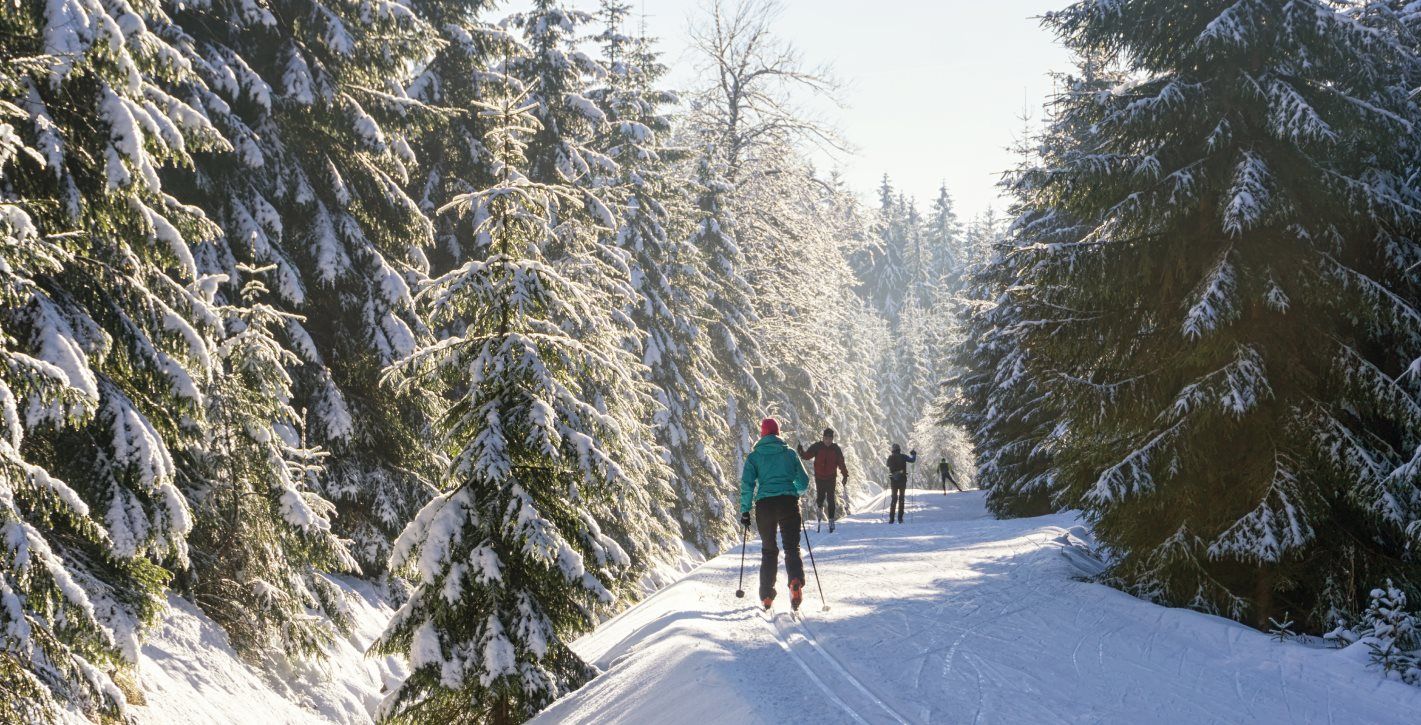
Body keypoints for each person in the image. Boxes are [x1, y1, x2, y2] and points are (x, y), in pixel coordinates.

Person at [740, 418, 811, 610]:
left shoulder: (754, 457)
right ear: (778, 433)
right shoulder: (789, 454)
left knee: (769, 550)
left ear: (762, 434)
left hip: (765, 505)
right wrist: (793, 490)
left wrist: (745, 510)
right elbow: (803, 482)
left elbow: (747, 484)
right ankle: (795, 580)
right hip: (788, 503)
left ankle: (766, 596)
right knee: (791, 548)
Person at [797, 428, 849, 533]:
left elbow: (841, 463)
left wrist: (845, 475)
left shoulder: (835, 449)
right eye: (826, 438)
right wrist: (801, 451)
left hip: (831, 478)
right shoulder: (817, 446)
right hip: (820, 478)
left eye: (830, 438)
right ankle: (820, 509)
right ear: (823, 438)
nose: (828, 440)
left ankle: (831, 520)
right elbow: (807, 456)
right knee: (820, 497)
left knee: (831, 499)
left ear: (832, 439)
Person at [885, 444, 916, 524]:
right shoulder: (903, 456)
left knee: (894, 499)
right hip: (902, 480)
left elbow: (887, 464)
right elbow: (912, 460)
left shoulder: (890, 457)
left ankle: (891, 519)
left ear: (893, 450)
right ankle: (900, 519)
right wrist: (913, 454)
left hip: (893, 481)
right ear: (899, 449)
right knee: (901, 499)